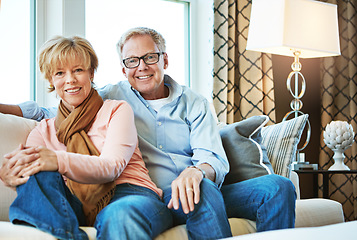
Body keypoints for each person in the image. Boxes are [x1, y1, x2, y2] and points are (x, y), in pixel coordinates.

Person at [0, 27, 296, 239]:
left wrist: (196, 173)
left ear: (164, 60)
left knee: (278, 187)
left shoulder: (194, 103)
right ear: (123, 67)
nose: (141, 67)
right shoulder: (111, 96)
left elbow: (212, 158)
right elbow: (56, 109)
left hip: (194, 188)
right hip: (147, 193)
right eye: (132, 61)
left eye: (150, 58)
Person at [0, 36, 173, 240]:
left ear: (91, 72)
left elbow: (112, 166)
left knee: (119, 216)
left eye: (78, 70)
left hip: (130, 194)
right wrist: (13, 175)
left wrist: (57, 160)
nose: (70, 80)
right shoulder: (42, 131)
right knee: (36, 172)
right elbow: (35, 188)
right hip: (72, 203)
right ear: (51, 80)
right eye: (60, 73)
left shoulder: (116, 110)